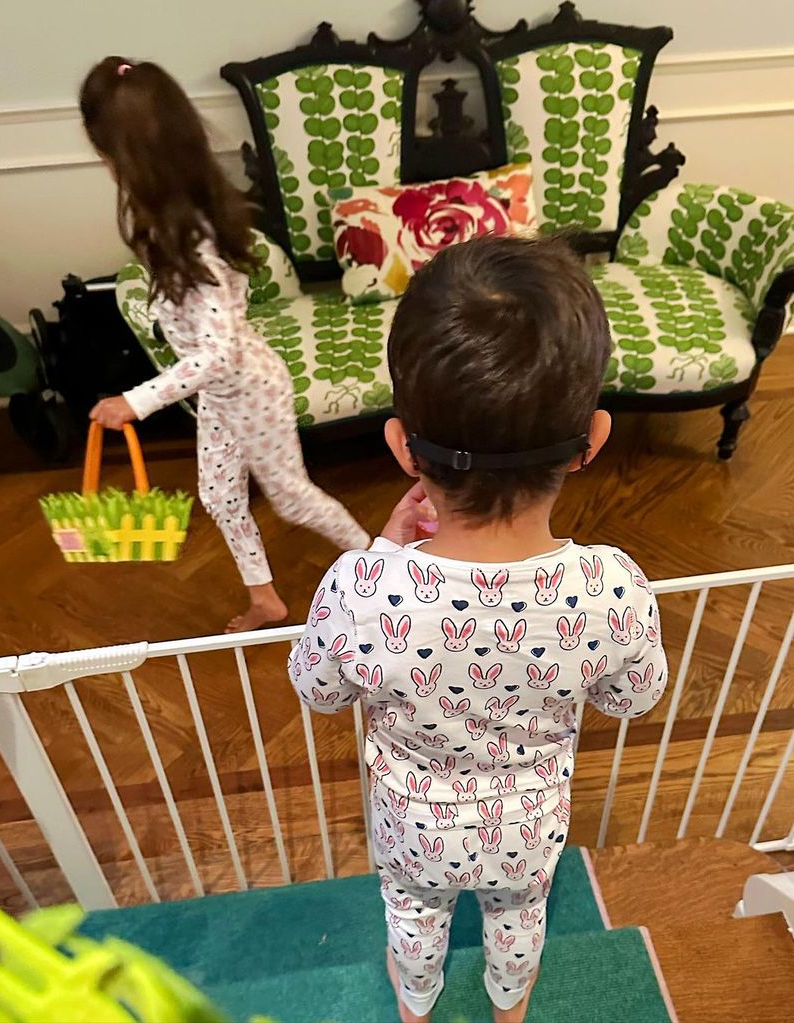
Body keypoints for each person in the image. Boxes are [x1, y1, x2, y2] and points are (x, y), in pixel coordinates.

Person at [288, 234, 668, 1023]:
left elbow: (317, 689)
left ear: (400, 447)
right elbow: (637, 696)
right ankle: (508, 1005)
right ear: (592, 440)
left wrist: (387, 551)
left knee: (414, 915)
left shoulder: (363, 588)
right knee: (517, 915)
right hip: (527, 826)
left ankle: (416, 1002)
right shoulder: (610, 587)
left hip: (410, 826)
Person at [80, 57, 369, 631]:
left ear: (121, 158)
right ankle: (266, 598)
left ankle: (378, 566)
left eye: (105, 152)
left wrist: (134, 402)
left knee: (290, 496)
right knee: (219, 496)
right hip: (221, 394)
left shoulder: (191, 242)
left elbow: (218, 354)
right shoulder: (169, 217)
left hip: (248, 388)